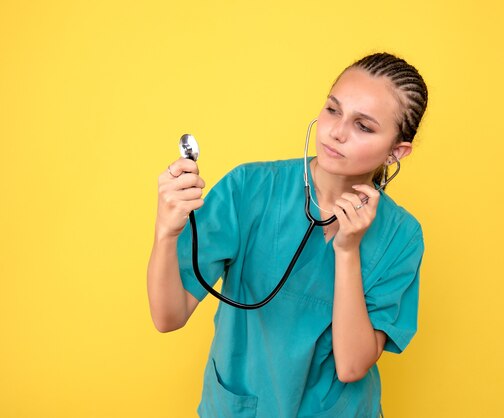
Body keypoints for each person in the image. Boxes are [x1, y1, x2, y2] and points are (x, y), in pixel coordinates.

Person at [147, 52, 428, 418]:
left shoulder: (401, 236)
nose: (337, 132)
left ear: (396, 152)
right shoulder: (248, 188)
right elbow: (168, 318)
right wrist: (166, 232)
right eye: (332, 109)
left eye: (364, 126)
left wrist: (347, 252)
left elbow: (351, 366)